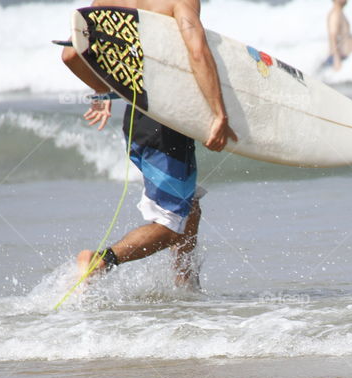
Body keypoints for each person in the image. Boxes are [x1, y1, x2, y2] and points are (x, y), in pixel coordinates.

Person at [61, 0, 237, 287]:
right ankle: (101, 260)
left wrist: (102, 90)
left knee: (188, 207)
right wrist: (219, 112)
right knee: (170, 225)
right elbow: (197, 50)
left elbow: (71, 55)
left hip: (137, 120)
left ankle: (186, 287)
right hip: (167, 121)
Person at [325, 0, 352, 71]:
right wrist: (337, 59)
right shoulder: (335, 14)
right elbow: (333, 36)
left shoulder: (339, 13)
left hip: (343, 58)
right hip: (339, 59)